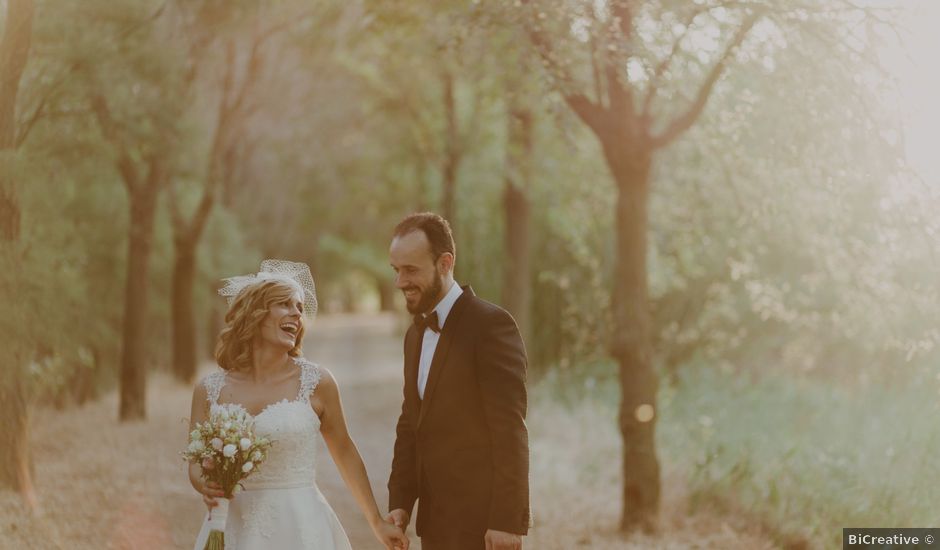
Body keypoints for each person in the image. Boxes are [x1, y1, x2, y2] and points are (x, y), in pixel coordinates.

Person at [189, 259, 409, 550]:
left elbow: (345, 453)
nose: (296, 313)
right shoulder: (209, 389)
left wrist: (376, 522)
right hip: (231, 528)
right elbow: (195, 463)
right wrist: (202, 483)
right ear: (254, 313)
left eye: (300, 308)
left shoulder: (318, 383)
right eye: (284, 304)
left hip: (300, 529)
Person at [386, 213, 530, 550]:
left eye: (411, 270)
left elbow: (510, 429)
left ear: (445, 263)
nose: (400, 282)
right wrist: (401, 501)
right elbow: (411, 423)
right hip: (434, 526)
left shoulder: (491, 325)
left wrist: (506, 522)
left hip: (483, 527)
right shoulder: (414, 335)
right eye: (396, 270)